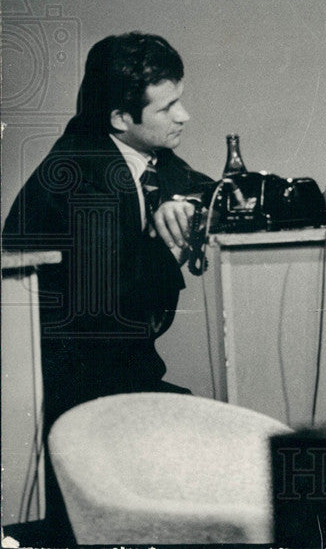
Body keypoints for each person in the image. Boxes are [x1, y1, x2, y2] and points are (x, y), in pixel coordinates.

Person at [2, 32, 212, 540]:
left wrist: (184, 206)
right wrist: (162, 236)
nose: (184, 116)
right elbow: (106, 312)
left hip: (107, 378)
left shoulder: (133, 154)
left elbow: (200, 186)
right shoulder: (81, 176)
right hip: (67, 397)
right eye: (170, 105)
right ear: (121, 117)